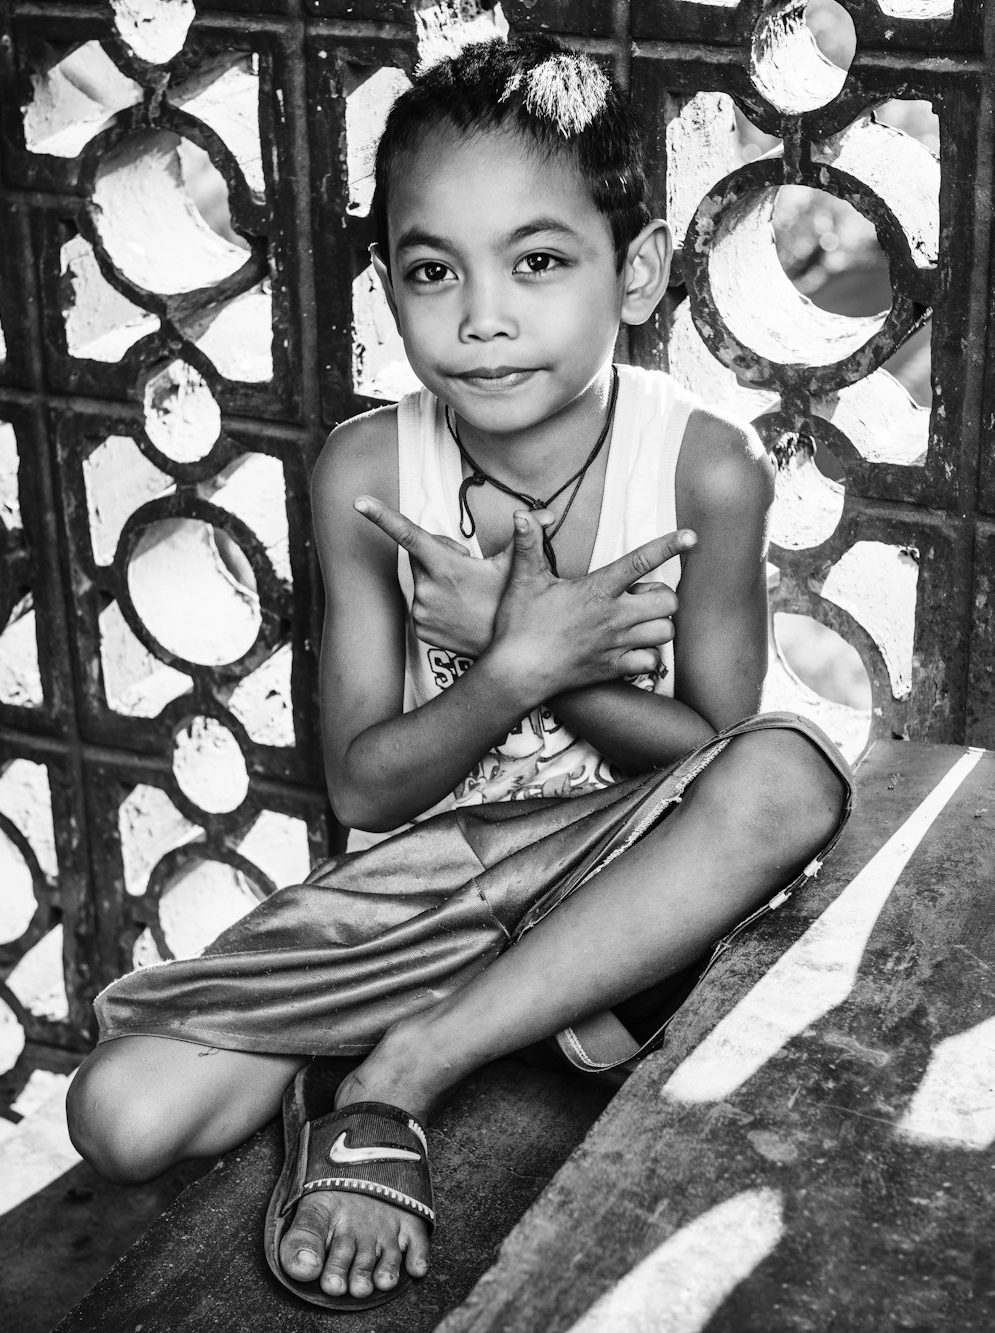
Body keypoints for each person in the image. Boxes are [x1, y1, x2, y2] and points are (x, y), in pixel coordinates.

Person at [67, 35, 851, 1312]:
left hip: (612, 859)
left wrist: (524, 650)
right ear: (387, 285)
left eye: (539, 262)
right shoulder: (370, 474)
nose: (482, 315)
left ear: (637, 270)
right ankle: (517, 1012)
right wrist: (505, 672)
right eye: (434, 271)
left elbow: (709, 749)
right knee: (125, 1116)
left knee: (789, 777)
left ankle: (396, 1075)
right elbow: (368, 788)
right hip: (429, 880)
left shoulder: (701, 467)